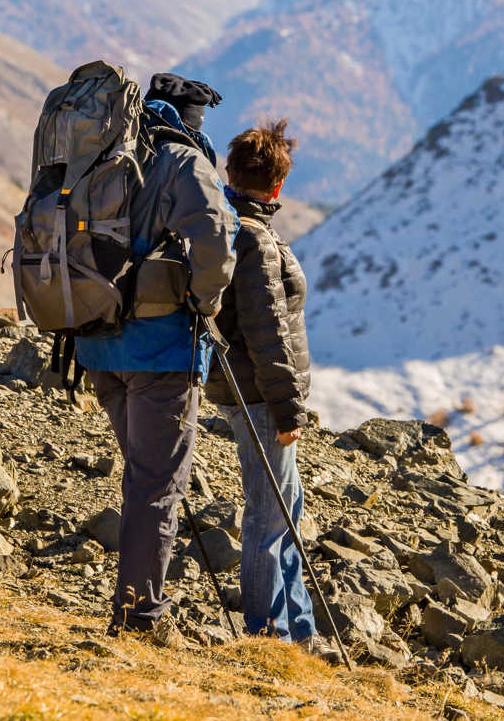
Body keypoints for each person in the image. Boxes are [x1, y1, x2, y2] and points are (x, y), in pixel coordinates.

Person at [78, 72, 238, 636]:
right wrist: (205, 300)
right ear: (194, 120)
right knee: (155, 485)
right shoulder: (181, 161)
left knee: (144, 477)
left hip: (95, 343)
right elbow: (217, 242)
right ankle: (140, 617)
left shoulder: (106, 151)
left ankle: (137, 605)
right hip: (160, 349)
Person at [205, 120, 334, 658]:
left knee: (286, 508)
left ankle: (298, 631)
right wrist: (288, 410)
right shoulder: (255, 239)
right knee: (267, 514)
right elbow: (269, 333)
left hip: (250, 392)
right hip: (262, 397)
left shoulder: (231, 225)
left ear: (231, 173)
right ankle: (265, 637)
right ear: (278, 186)